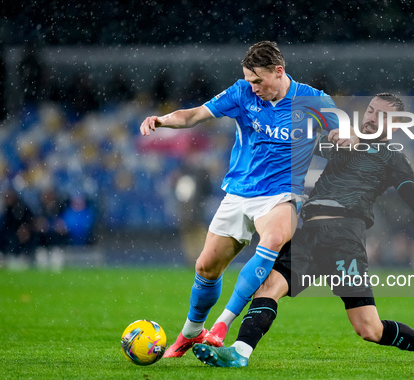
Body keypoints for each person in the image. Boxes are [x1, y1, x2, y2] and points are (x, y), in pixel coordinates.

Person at [193, 93, 414, 367]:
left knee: (369, 329)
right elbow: (296, 143)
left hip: (344, 240)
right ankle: (239, 353)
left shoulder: (393, 157)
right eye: (371, 110)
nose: (372, 117)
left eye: (382, 116)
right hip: (308, 234)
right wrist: (323, 135)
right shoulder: (342, 140)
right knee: (269, 287)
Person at [139, 41, 343, 358]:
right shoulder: (241, 93)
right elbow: (194, 115)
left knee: (274, 238)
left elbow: (347, 131)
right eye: (249, 80)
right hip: (239, 191)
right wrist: (161, 120)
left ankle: (221, 326)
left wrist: (342, 135)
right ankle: (192, 332)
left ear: (279, 71)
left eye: (258, 80)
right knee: (206, 267)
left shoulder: (313, 101)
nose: (253, 87)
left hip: (281, 193)